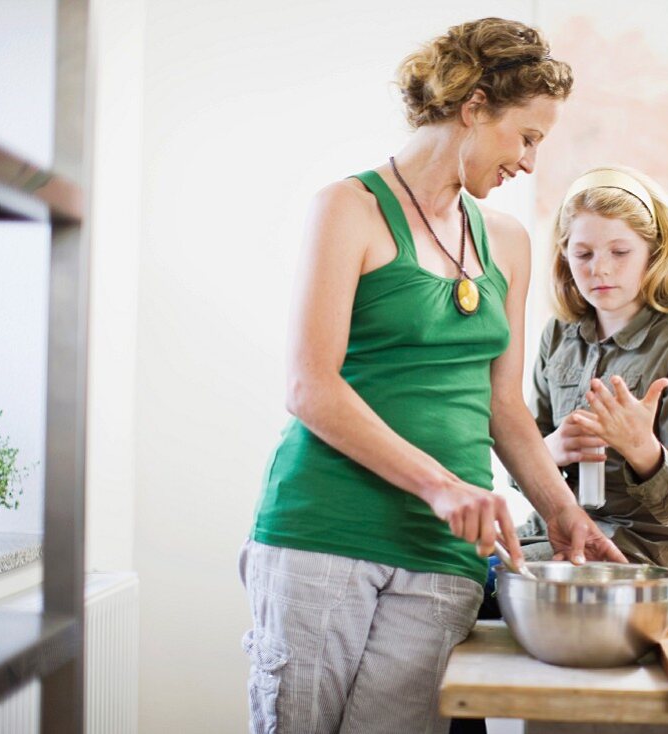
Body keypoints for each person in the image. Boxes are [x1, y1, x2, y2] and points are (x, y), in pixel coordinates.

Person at [239, 19, 625, 734]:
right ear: (474, 106)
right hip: (326, 534)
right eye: (527, 136)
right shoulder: (348, 209)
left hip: (446, 556)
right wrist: (442, 485)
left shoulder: (505, 241)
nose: (531, 163)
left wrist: (564, 512)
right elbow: (310, 387)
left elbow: (502, 406)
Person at [515, 165, 668, 571]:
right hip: (555, 529)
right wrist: (548, 452)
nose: (601, 269)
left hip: (639, 549)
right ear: (564, 255)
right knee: (455, 566)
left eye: (620, 252)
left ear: (654, 252)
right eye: (583, 254)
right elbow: (522, 445)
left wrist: (640, 448)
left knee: (492, 584)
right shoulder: (558, 336)